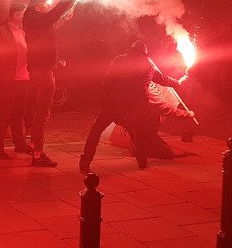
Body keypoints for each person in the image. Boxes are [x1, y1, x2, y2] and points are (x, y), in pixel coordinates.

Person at [79, 40, 187, 173]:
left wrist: (103, 102)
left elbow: (107, 82)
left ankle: (84, 163)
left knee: (96, 130)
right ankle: (142, 163)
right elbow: (163, 79)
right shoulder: (150, 63)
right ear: (144, 51)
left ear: (131, 49)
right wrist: (178, 83)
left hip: (115, 103)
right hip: (137, 106)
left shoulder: (119, 59)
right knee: (140, 132)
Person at [22, 0, 92, 166]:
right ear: (37, 8)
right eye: (45, 3)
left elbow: (57, 20)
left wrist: (72, 6)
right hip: (43, 75)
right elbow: (59, 10)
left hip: (39, 72)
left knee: (39, 115)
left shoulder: (36, 24)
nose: (48, 4)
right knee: (42, 116)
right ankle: (37, 155)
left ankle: (36, 151)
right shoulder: (39, 21)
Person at [0, 3, 34, 160]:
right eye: (23, 14)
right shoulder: (2, 32)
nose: (25, 17)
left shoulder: (24, 31)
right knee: (3, 115)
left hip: (24, 79)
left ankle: (19, 144)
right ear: (16, 15)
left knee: (19, 115)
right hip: (8, 79)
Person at [140, 83, 196, 159]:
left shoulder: (152, 79)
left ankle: (142, 143)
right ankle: (138, 147)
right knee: (166, 153)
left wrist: (181, 80)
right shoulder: (147, 86)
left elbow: (165, 80)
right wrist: (186, 114)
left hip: (146, 125)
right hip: (141, 124)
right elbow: (162, 107)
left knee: (165, 151)